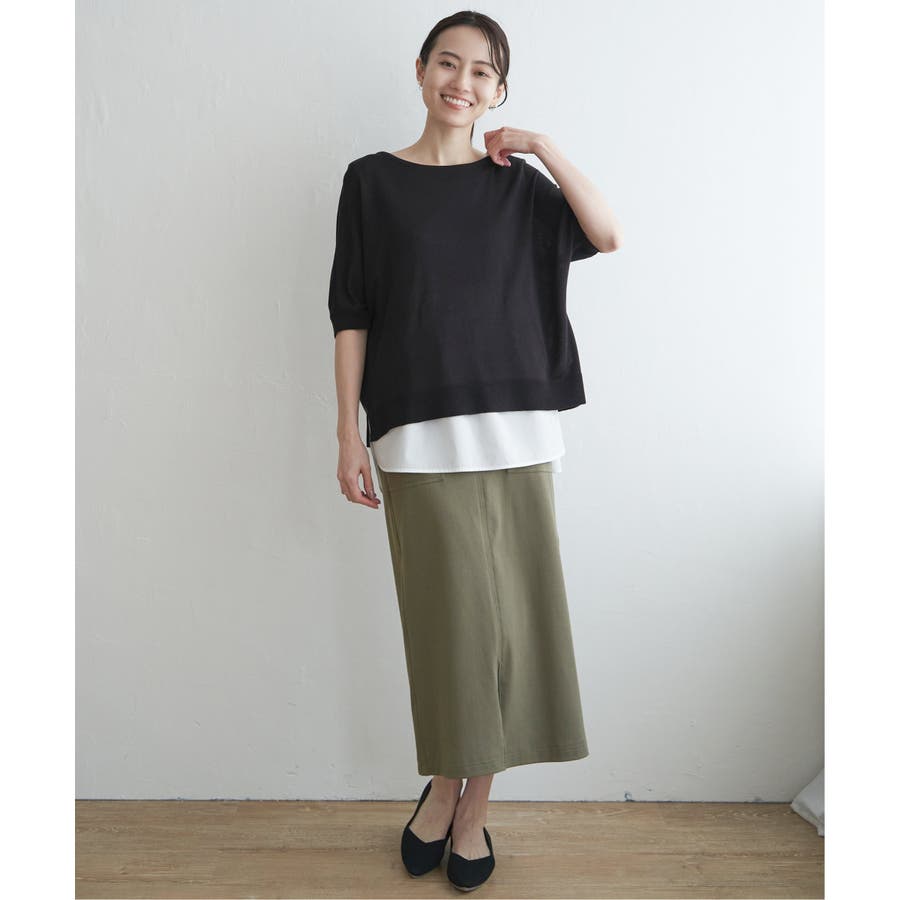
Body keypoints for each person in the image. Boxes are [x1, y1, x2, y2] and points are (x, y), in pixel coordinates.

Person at [328, 9, 622, 892]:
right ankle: (445, 783)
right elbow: (352, 311)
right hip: (416, 437)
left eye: (483, 72)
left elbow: (607, 233)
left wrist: (542, 147)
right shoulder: (371, 182)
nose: (462, 82)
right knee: (448, 633)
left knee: (516, 632)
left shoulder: (518, 185)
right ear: (421, 71)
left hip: (518, 431)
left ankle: (469, 806)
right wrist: (346, 431)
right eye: (448, 64)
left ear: (499, 90)